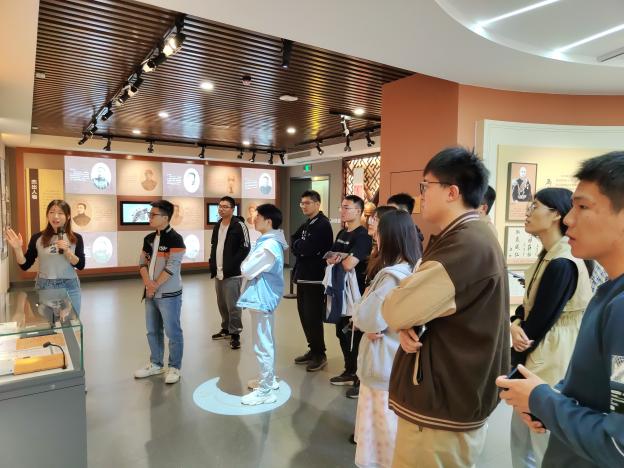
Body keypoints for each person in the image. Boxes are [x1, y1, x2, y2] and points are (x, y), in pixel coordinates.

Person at [382, 147, 510, 468]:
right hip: (449, 393)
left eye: (425, 186)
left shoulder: (466, 244)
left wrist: (403, 316)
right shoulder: (469, 235)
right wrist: (409, 320)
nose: (420, 195)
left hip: (442, 404)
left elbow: (395, 308)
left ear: (452, 192)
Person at [496, 151, 624, 468]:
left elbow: (618, 444)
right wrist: (549, 399)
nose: (568, 219)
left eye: (583, 207)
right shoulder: (608, 293)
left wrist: (543, 400)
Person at [508, 188, 592, 468]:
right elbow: (529, 308)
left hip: (551, 356)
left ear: (556, 214)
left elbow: (539, 322)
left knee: (540, 438)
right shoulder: (549, 254)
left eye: (535, 206)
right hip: (540, 352)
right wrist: (516, 324)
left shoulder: (563, 262)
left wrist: (520, 332)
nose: (528, 212)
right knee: (523, 437)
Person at [352, 210, 420, 468]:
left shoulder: (391, 276)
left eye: (378, 231)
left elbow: (367, 318)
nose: (374, 237)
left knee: (381, 433)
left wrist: (361, 305)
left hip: (382, 363)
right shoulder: (416, 267)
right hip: (399, 361)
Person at [237, 204, 288, 405]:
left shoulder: (268, 246)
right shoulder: (268, 242)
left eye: (257, 216)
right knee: (265, 341)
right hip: (262, 296)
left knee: (262, 344)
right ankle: (269, 380)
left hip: (262, 297)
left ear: (269, 221)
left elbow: (247, 270)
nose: (254, 219)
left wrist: (245, 263)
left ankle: (265, 390)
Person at [134, 200, 186, 384]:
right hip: (150, 293)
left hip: (169, 295)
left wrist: (153, 285)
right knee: (152, 330)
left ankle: (175, 367)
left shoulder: (176, 239)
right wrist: (148, 284)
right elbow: (142, 262)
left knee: (173, 331)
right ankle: (156, 363)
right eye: (149, 214)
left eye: (153, 214)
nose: (149, 217)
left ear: (165, 218)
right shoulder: (148, 238)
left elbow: (172, 267)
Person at [326, 195, 373, 393]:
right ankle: (349, 369)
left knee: (354, 333)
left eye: (347, 208)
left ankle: (359, 375)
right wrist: (337, 259)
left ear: (358, 211)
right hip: (340, 290)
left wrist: (338, 259)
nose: (342, 211)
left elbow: (348, 264)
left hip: (356, 293)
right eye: (341, 207)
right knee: (341, 331)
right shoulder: (342, 233)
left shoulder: (362, 236)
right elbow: (330, 257)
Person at [6, 199, 85, 314]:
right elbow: (25, 265)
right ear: (47, 215)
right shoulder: (37, 237)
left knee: (71, 322)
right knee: (49, 322)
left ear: (68, 216)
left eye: (60, 213)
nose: (55, 216)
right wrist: (17, 249)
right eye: (52, 212)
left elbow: (81, 265)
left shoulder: (76, 238)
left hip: (70, 285)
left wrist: (68, 252)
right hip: (45, 285)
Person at [291, 190, 334, 372]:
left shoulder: (322, 224)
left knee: (313, 316)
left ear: (317, 204)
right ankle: (313, 349)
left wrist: (300, 248)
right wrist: (299, 247)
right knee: (304, 316)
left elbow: (308, 248)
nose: (303, 206)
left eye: (307, 203)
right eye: (302, 203)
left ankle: (320, 354)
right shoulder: (308, 223)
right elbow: (294, 240)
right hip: (303, 277)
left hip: (314, 278)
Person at [209, 196, 251, 349]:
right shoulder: (217, 225)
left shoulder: (239, 225)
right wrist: (212, 263)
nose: (221, 209)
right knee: (222, 304)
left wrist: (233, 264)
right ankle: (226, 328)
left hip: (233, 273)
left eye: (225, 206)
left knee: (233, 305)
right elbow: (214, 245)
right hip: (218, 272)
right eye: (220, 206)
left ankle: (235, 333)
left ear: (232, 209)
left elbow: (246, 247)